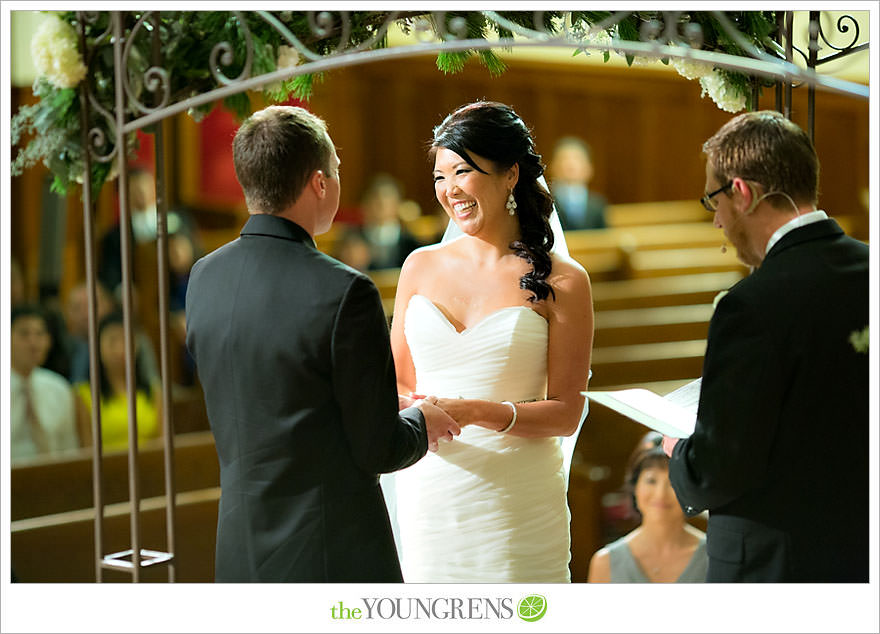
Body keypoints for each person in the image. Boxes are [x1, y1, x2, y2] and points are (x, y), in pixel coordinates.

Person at [184, 105, 460, 583]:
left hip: (239, 548)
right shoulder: (344, 292)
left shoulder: (204, 276)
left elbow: (274, 395)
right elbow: (379, 449)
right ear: (318, 183)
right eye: (335, 169)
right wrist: (420, 419)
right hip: (330, 553)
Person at [388, 101, 594, 582]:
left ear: (510, 175)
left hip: (515, 504)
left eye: (463, 171)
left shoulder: (564, 281)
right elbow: (396, 382)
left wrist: (477, 411)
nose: (449, 190)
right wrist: (407, 406)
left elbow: (566, 413)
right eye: (440, 176)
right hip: (431, 494)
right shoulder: (418, 267)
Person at [663, 110, 869, 582]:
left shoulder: (751, 305)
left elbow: (721, 466)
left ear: (742, 193)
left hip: (779, 565)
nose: (715, 220)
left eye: (713, 199)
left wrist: (679, 452)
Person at [587, 432, 707, 583]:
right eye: (651, 481)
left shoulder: (715, 556)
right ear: (635, 486)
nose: (660, 494)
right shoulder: (605, 562)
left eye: (673, 483)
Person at [75, 311, 161, 451]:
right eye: (112, 340)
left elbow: (162, 443)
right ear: (97, 346)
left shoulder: (153, 390)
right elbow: (86, 449)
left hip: (150, 467)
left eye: (127, 340)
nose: (120, 349)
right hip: (106, 471)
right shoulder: (83, 394)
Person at [10, 305, 84, 463]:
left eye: (40, 334)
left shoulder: (59, 388)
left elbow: (69, 449)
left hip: (51, 478)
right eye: (24, 334)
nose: (33, 343)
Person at [359, 173, 422, 270]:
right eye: (376, 198)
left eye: (387, 198)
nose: (381, 204)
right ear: (365, 203)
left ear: (398, 204)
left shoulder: (411, 243)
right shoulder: (353, 241)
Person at [548, 136, 607, 230]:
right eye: (564, 159)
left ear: (589, 169)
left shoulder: (598, 204)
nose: (570, 165)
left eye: (577, 159)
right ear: (553, 167)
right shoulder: (544, 202)